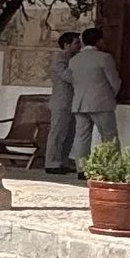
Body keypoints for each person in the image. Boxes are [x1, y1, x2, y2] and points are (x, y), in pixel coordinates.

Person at [68, 27, 121, 166]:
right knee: (109, 136)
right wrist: (111, 95)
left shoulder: (74, 60)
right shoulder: (104, 58)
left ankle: (82, 168)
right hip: (101, 102)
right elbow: (114, 81)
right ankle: (111, 166)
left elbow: (73, 80)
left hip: (80, 102)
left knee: (81, 137)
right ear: (99, 41)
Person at [43, 30, 79, 174]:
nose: (79, 47)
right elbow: (68, 76)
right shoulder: (60, 59)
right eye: (76, 43)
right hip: (61, 101)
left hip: (73, 101)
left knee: (69, 134)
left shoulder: (73, 58)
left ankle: (63, 161)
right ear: (66, 44)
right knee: (58, 133)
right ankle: (51, 163)